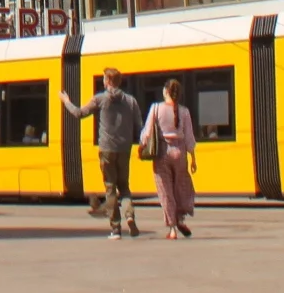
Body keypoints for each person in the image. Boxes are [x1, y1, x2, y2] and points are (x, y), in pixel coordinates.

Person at [59, 66, 144, 238]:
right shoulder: (130, 100)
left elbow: (79, 113)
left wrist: (66, 100)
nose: (103, 81)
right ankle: (130, 217)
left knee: (110, 188)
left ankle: (116, 228)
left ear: (108, 81)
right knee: (125, 188)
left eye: (104, 78)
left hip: (106, 149)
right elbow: (140, 126)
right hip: (124, 149)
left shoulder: (100, 99)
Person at [143, 76, 197, 240]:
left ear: (165, 91)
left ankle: (172, 228)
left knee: (165, 191)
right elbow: (189, 137)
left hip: (162, 153)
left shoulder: (156, 108)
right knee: (181, 187)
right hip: (180, 153)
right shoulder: (184, 111)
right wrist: (193, 158)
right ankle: (180, 218)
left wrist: (142, 146)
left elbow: (147, 132)